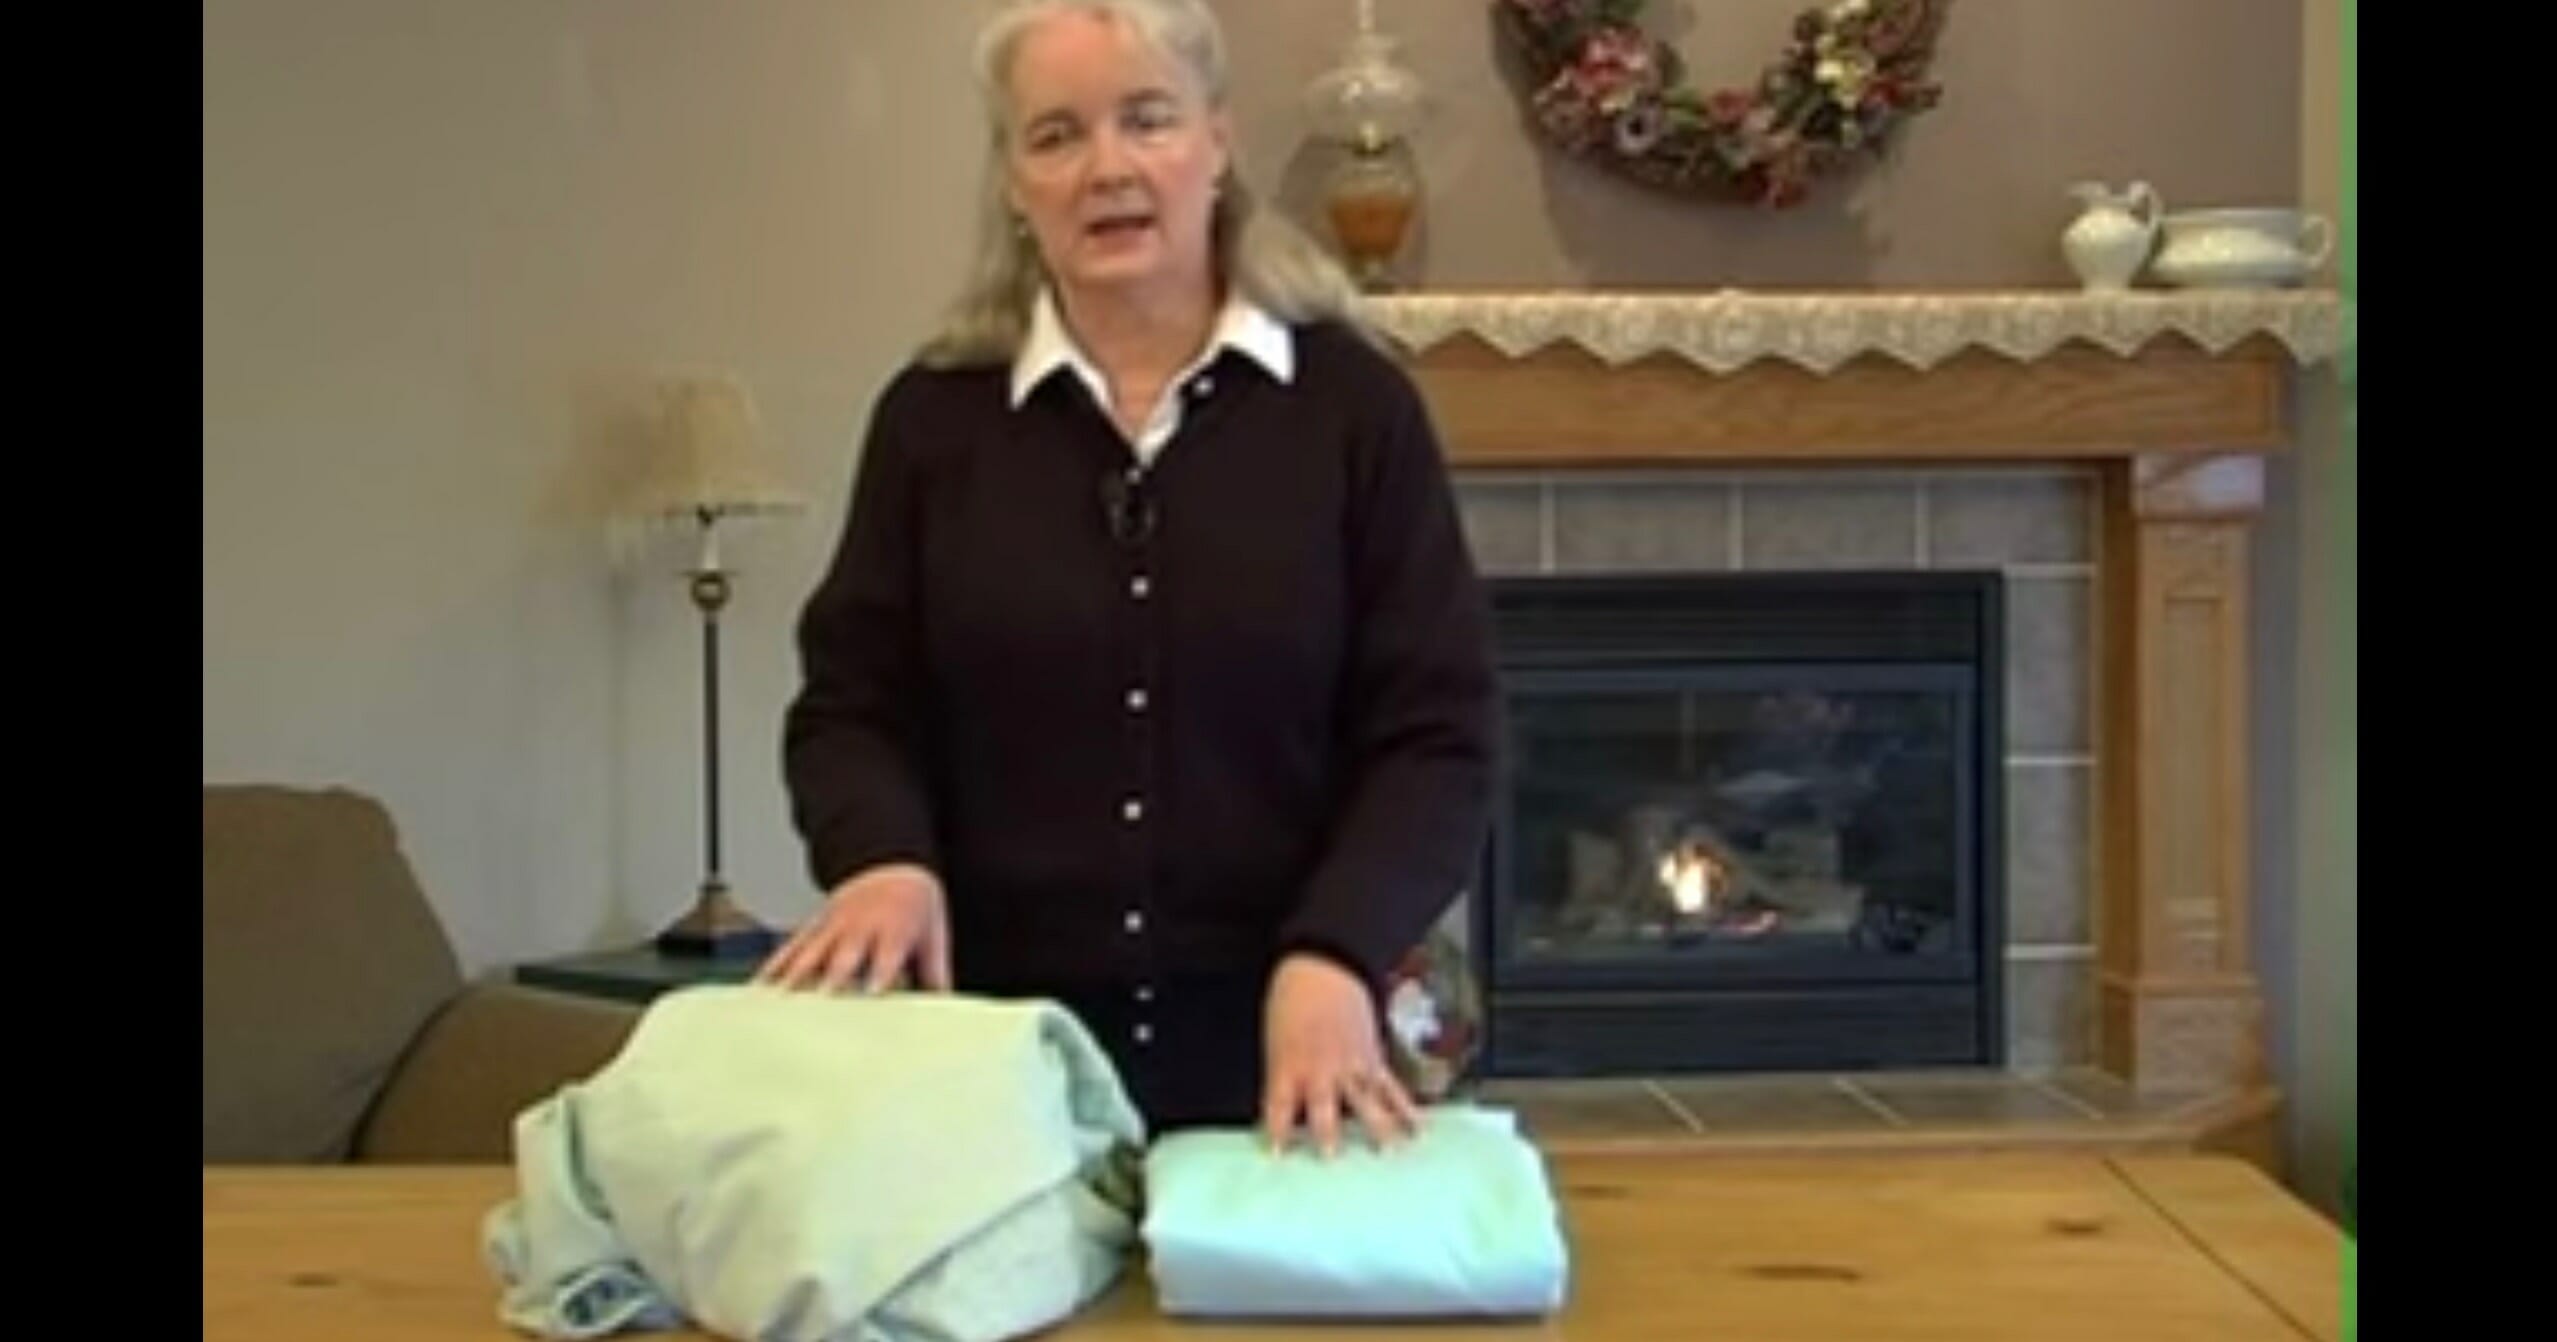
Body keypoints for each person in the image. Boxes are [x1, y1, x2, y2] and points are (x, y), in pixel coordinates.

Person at [760, 0, 1496, 1158]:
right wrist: (882, 861)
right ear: (1013, 182)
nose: (1106, 167)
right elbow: (854, 708)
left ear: (1218, 141)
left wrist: (1336, 952)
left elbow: (1437, 735)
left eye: (1147, 119)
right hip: (997, 1071)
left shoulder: (1354, 412)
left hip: (1298, 1058)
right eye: (1056, 135)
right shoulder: (932, 423)